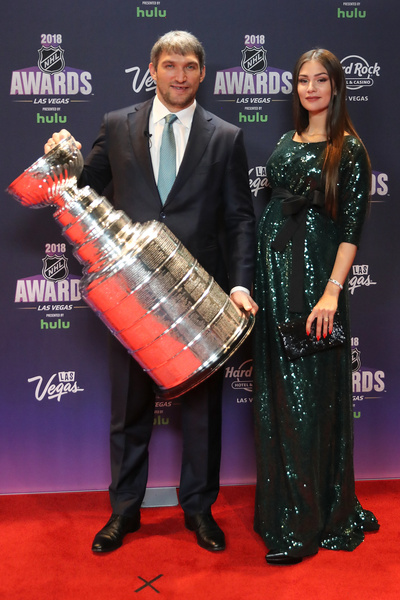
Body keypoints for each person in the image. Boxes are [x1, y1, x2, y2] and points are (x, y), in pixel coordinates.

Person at [45, 30, 258, 554]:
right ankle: (124, 511)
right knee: (129, 408)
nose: (179, 76)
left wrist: (239, 284)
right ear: (152, 69)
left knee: (202, 412)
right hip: (130, 295)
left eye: (189, 66)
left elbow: (239, 219)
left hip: (199, 295)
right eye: (170, 65)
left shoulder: (226, 136)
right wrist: (61, 157)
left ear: (202, 74)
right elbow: (81, 184)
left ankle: (199, 510)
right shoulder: (117, 125)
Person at [252, 48, 379, 566]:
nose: (310, 88)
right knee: (280, 398)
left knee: (310, 399)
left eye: (320, 80)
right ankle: (280, 511)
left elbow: (350, 230)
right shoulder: (287, 139)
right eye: (303, 80)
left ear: (336, 87)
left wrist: (331, 292)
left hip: (314, 287)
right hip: (273, 279)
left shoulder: (350, 150)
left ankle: (309, 520)